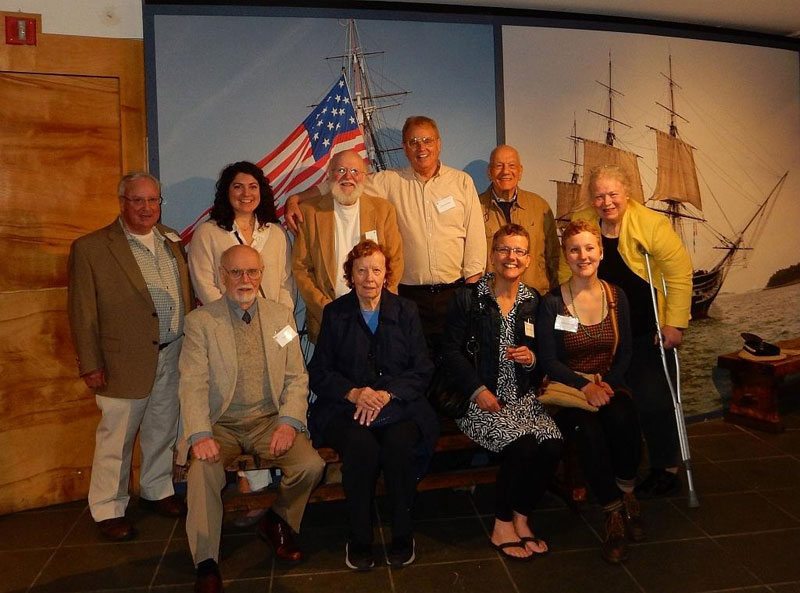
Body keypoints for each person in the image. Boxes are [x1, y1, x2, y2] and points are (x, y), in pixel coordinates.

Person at [178, 245, 325, 593]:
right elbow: (193, 382)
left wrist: (289, 421)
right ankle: (206, 562)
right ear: (220, 276)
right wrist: (200, 433)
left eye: (252, 272)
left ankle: (278, 520)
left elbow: (295, 377)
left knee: (311, 465)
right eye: (236, 272)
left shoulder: (281, 317)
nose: (245, 280)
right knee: (201, 473)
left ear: (262, 275)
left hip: (269, 422)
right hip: (220, 425)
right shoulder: (201, 322)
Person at [286, 116, 486, 355]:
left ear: (439, 143)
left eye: (427, 140)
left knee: (458, 362)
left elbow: (475, 237)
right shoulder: (390, 181)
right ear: (404, 148)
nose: (421, 148)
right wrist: (298, 198)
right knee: (416, 364)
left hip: (454, 293)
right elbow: (346, 180)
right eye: (413, 142)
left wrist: (470, 292)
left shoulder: (462, 182)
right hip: (412, 297)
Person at [67, 172, 193, 541]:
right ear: (121, 202)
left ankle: (156, 489)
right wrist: (90, 363)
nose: (146, 208)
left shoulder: (171, 240)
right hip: (121, 361)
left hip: (172, 353)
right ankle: (107, 507)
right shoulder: (92, 248)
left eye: (152, 200)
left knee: (161, 430)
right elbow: (82, 311)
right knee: (116, 439)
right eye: (137, 200)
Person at [561, 165, 693, 498]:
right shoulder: (584, 222)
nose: (606, 202)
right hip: (603, 332)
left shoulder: (651, 224)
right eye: (599, 195)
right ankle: (614, 469)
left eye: (613, 194)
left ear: (627, 193)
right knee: (610, 403)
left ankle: (666, 468)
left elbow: (678, 274)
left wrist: (674, 323)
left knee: (654, 400)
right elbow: (569, 273)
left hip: (647, 329)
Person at [307, 240, 437, 571]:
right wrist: (353, 393)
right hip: (347, 409)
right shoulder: (335, 313)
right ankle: (359, 537)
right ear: (350, 274)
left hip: (399, 406)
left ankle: (403, 534)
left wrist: (386, 394)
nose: (369, 277)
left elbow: (422, 369)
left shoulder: (406, 311)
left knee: (398, 448)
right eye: (361, 269)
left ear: (386, 274)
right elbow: (320, 373)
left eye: (376, 270)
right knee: (361, 449)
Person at [441, 224, 563, 561]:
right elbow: (449, 352)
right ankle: (501, 524)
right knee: (522, 446)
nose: (511, 257)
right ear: (493, 255)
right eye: (504, 250)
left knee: (552, 444)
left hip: (522, 400)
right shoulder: (468, 298)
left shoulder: (533, 301)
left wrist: (532, 358)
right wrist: (477, 389)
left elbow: (542, 357)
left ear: (527, 259)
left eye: (519, 251)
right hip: (480, 400)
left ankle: (522, 517)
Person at [538, 220, 644, 563]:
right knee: (589, 431)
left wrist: (607, 384)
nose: (582, 256)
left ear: (599, 252)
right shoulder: (553, 303)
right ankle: (613, 512)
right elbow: (549, 359)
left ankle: (627, 492)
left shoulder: (617, 297)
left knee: (624, 419)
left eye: (589, 248)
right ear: (565, 256)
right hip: (569, 388)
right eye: (574, 249)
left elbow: (626, 350)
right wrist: (584, 386)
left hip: (610, 382)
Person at [292, 149, 404, 343]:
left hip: (375, 316)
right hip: (329, 318)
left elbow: (394, 262)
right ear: (329, 174)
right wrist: (327, 310)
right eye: (341, 170)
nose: (348, 177)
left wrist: (380, 306)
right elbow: (301, 268)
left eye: (354, 171)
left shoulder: (383, 210)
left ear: (364, 176)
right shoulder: (309, 213)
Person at [188, 161, 295, 309]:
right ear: (227, 191)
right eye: (238, 187)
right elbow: (205, 286)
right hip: (226, 325)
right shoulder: (207, 233)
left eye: (253, 187)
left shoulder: (277, 233)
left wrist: (280, 318)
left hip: (272, 326)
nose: (246, 194)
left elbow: (286, 283)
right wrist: (235, 319)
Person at [480, 144, 559, 295]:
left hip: (536, 298)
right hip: (492, 300)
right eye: (499, 166)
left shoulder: (540, 207)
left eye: (511, 165)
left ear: (520, 171)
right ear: (489, 172)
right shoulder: (476, 207)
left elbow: (554, 257)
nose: (505, 171)